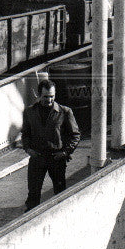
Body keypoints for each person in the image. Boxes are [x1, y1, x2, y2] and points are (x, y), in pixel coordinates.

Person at [21, 79, 81, 211]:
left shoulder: (65, 112)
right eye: (45, 97)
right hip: (37, 158)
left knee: (60, 192)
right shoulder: (29, 112)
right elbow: (25, 134)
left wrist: (65, 152)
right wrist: (28, 149)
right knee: (33, 195)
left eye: (52, 96)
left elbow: (75, 135)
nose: (49, 100)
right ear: (38, 95)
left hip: (56, 159)